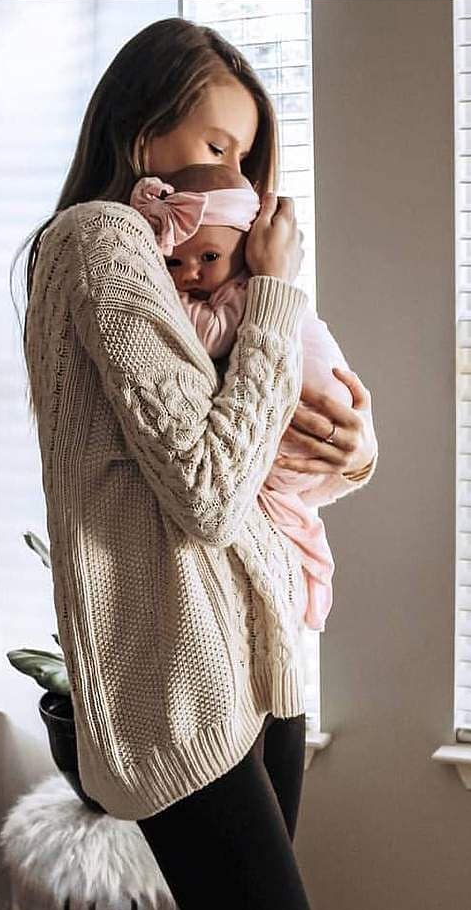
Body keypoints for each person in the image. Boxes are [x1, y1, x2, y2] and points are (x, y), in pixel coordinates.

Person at [16, 16, 376, 910]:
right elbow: (209, 486)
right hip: (178, 672)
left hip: (260, 660)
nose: (235, 172)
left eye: (246, 154)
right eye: (216, 145)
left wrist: (355, 445)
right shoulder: (100, 243)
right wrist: (278, 297)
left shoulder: (198, 272)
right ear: (142, 138)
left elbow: (266, 435)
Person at [128, 162, 379, 632]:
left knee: (282, 515)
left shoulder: (247, 296)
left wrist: (168, 300)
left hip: (304, 428)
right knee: (286, 516)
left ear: (246, 248)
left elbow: (209, 335)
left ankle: (307, 567)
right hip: (313, 436)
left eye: (208, 258)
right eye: (174, 264)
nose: (190, 275)